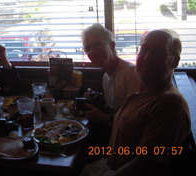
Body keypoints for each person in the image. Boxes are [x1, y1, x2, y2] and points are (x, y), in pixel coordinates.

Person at [80, 29, 191, 176]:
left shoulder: (168, 104)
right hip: (108, 162)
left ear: (175, 61)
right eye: (144, 49)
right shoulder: (144, 91)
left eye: (158, 52)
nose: (147, 58)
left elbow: (147, 166)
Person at [80, 24, 140, 126]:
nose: (93, 51)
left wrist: (103, 118)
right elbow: (114, 110)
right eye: (88, 48)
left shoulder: (131, 73)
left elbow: (136, 119)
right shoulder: (106, 77)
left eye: (98, 44)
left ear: (112, 45)